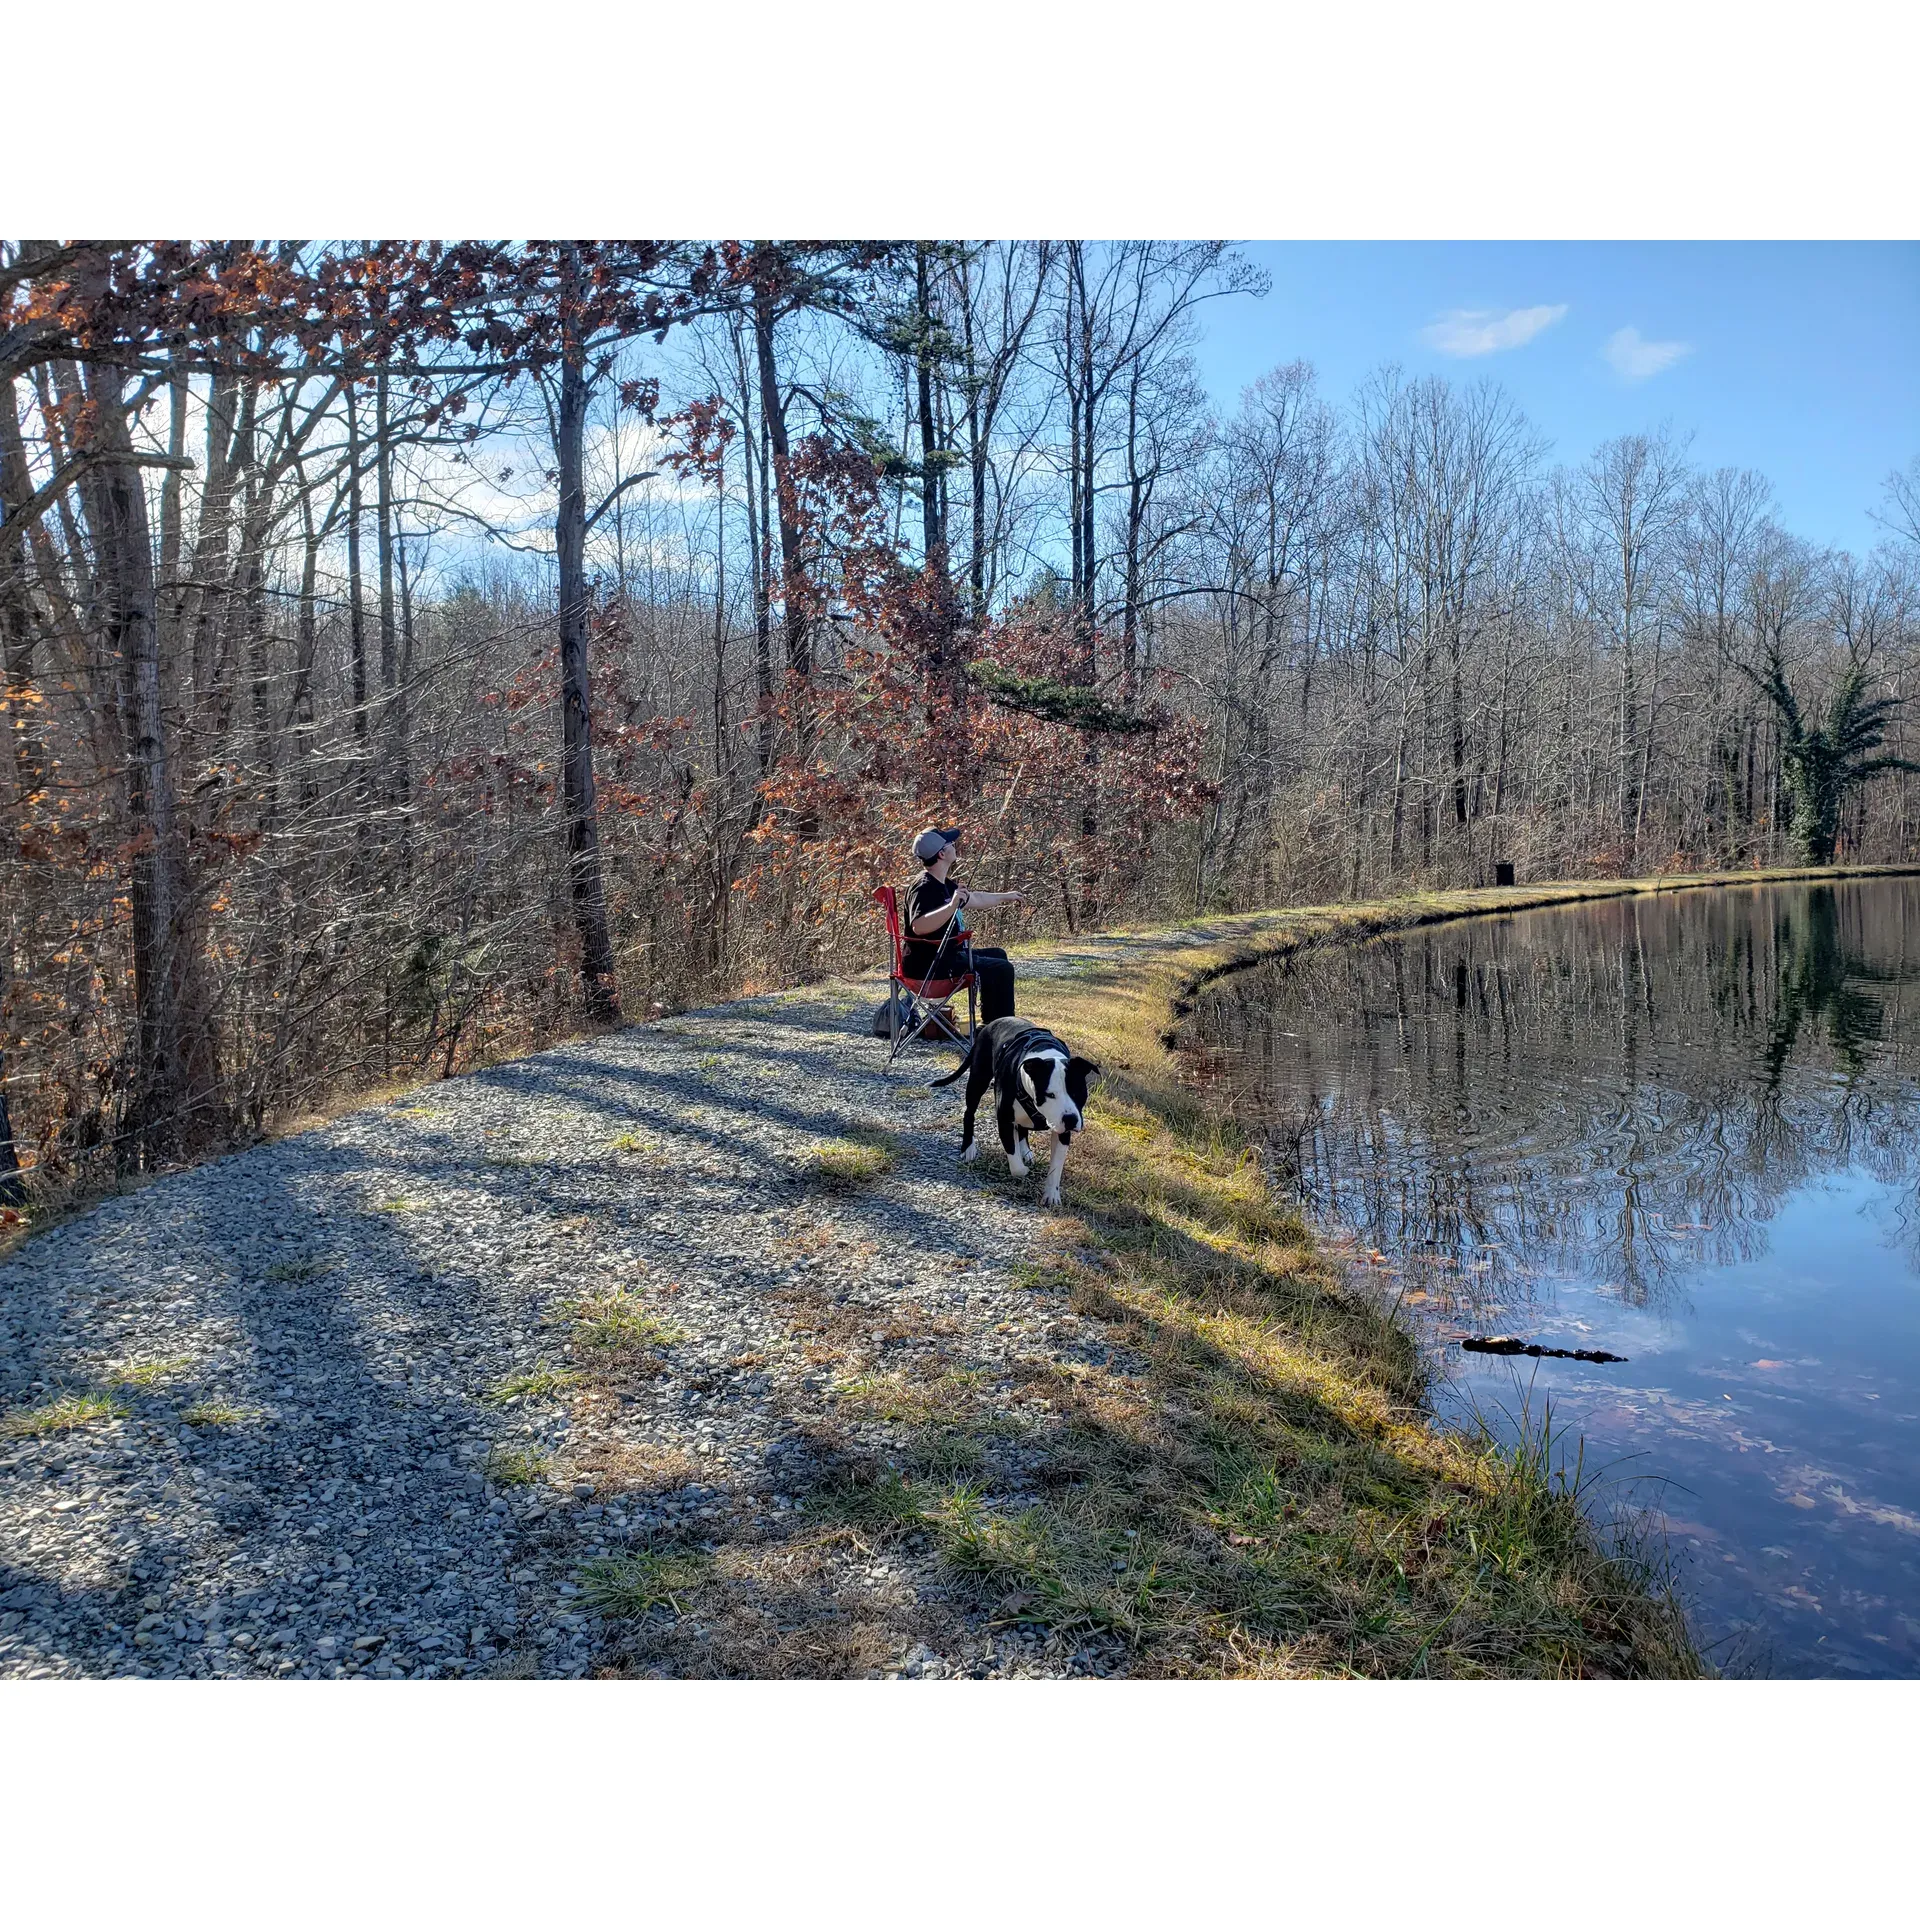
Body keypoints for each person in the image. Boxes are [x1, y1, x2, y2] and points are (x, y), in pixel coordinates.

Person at [903, 826, 1021, 1025]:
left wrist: (1006, 896)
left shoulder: (943, 883)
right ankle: (1001, 1028)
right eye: (951, 844)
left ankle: (990, 1023)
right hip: (930, 968)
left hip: (943, 958)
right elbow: (919, 925)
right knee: (1002, 969)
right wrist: (952, 905)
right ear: (941, 853)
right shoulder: (923, 887)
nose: (954, 846)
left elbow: (975, 898)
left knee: (998, 955)